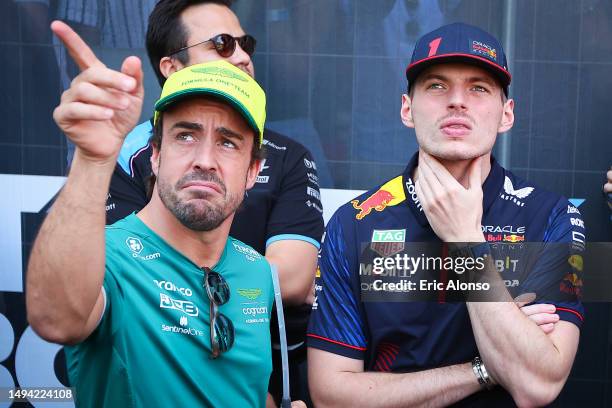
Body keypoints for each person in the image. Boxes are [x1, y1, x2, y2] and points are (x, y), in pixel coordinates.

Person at [307, 23, 584, 407]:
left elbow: (537, 386)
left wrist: (466, 238)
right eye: (436, 86)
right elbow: (331, 396)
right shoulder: (355, 223)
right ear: (407, 108)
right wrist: (483, 369)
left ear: (506, 114)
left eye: (478, 88)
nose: (457, 101)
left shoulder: (549, 215)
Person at [26, 19, 276, 406]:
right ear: (156, 155)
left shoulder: (257, 270)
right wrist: (94, 160)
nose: (205, 160)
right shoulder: (108, 256)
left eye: (228, 143)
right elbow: (55, 320)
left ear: (253, 171)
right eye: (186, 135)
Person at [103, 1, 323, 403]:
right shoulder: (119, 152)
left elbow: (289, 280)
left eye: (245, 43)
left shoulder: (288, 154)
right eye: (222, 44)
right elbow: (115, 279)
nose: (241, 56)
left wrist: (166, 283)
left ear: (254, 166)